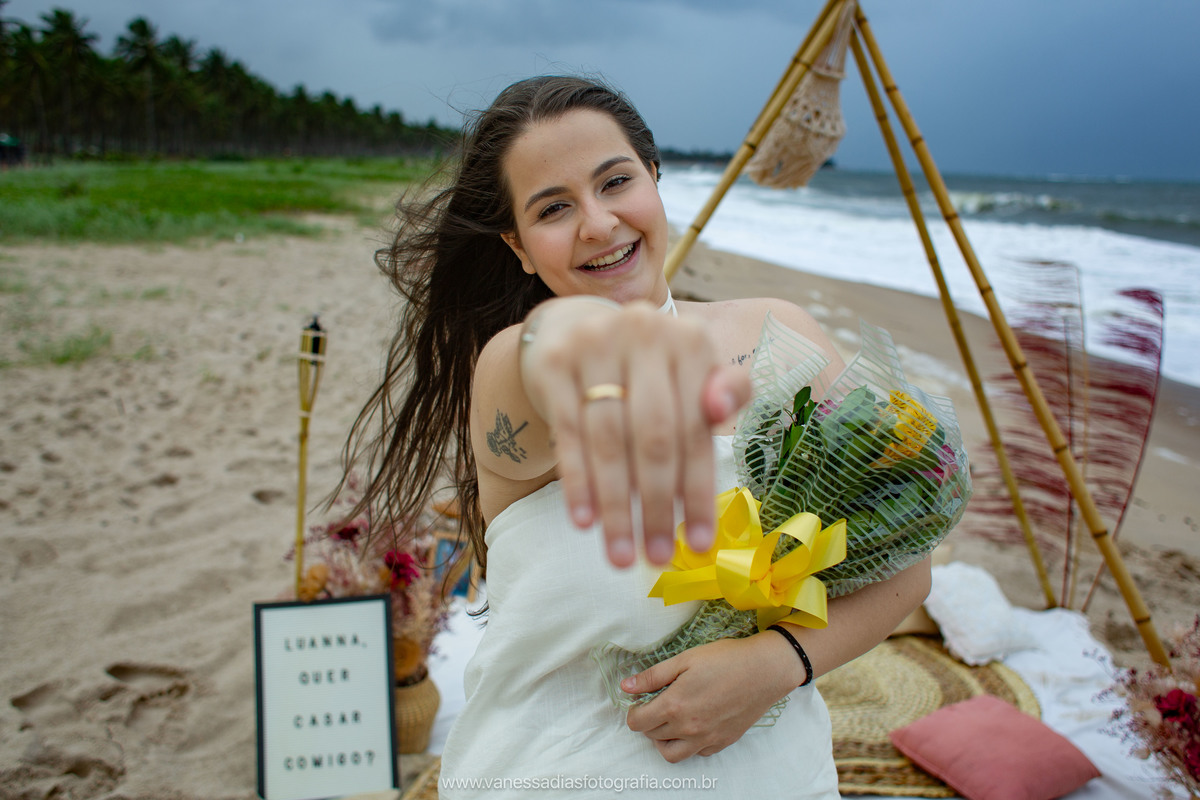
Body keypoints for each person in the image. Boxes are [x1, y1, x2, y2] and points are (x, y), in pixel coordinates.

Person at [343, 75, 931, 798]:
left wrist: (776, 664)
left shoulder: (783, 336)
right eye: (553, 208)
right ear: (519, 247)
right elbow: (548, 358)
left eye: (614, 182)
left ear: (654, 181)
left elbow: (904, 562)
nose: (596, 223)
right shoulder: (509, 369)